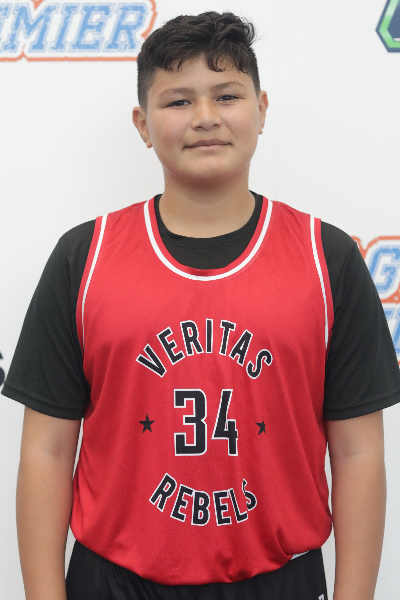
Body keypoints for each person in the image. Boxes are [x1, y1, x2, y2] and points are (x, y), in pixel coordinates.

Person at [2, 10, 400, 600]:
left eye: (227, 95)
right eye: (178, 101)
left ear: (262, 109)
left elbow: (358, 450)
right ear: (143, 124)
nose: (206, 117)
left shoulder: (328, 258)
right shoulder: (84, 256)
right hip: (115, 581)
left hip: (279, 579)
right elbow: (48, 448)